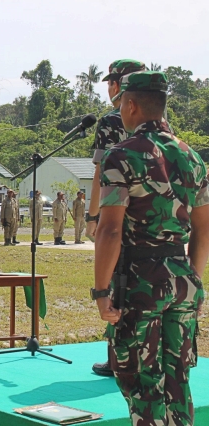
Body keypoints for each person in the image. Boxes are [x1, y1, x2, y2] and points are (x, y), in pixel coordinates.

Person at [94, 71, 209, 425]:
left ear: (130, 105)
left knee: (143, 385)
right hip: (183, 280)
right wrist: (193, 284)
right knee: (177, 383)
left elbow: (110, 230)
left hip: (141, 283)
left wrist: (100, 291)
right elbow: (204, 231)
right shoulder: (193, 158)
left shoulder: (122, 156)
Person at [88, 59, 146, 378]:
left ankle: (116, 358)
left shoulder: (111, 120)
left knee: (113, 282)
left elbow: (102, 171)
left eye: (113, 81)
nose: (110, 87)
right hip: (148, 217)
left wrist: (93, 215)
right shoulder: (158, 122)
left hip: (116, 211)